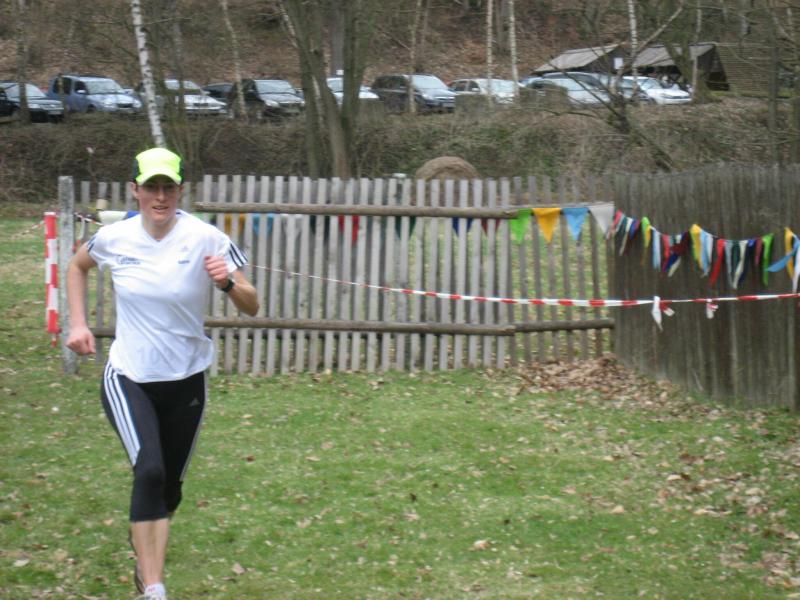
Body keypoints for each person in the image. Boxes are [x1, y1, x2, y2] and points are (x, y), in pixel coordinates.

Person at [66, 147, 259, 600]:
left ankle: (145, 544)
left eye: (168, 187)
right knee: (149, 470)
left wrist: (227, 283)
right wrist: (77, 324)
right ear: (135, 190)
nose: (159, 197)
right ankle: (153, 586)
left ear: (180, 191)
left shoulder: (206, 238)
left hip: (186, 379)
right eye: (151, 187)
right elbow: (77, 266)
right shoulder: (115, 237)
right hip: (129, 376)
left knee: (169, 489)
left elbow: (252, 304)